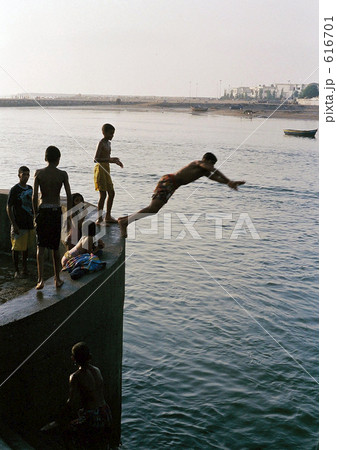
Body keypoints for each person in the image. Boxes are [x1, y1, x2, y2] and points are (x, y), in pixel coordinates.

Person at [118, 152, 245, 238]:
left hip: (172, 185)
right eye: (211, 163)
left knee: (153, 210)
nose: (212, 166)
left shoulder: (203, 172)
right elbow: (211, 169)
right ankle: (125, 223)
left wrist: (229, 183)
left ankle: (124, 220)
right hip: (169, 181)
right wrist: (229, 180)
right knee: (153, 209)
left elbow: (216, 178)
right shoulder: (198, 163)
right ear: (206, 160)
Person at [41, 342, 113, 449]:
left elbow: (71, 402)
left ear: (73, 358)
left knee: (65, 431)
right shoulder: (96, 370)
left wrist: (59, 420)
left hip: (92, 417)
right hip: (106, 413)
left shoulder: (75, 376)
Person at [33, 146, 72, 290]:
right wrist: (68, 215)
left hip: (43, 210)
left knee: (40, 246)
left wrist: (35, 213)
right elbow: (69, 196)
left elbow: (34, 196)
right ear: (58, 159)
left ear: (45, 158)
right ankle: (57, 279)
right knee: (55, 248)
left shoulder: (38, 173)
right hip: (55, 211)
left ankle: (40, 280)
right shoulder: (62, 174)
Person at [6, 166, 35, 278]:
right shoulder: (14, 190)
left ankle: (25, 269)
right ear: (19, 175)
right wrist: (14, 224)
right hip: (18, 223)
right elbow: (8, 206)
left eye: (28, 174)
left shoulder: (30, 188)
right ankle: (17, 270)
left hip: (29, 223)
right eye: (24, 174)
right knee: (16, 248)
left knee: (26, 248)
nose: (26, 177)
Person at [94, 123, 123, 224]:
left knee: (112, 193)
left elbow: (107, 158)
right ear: (104, 133)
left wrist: (114, 160)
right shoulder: (101, 143)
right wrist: (111, 160)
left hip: (106, 168)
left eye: (113, 134)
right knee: (103, 194)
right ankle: (99, 218)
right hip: (100, 169)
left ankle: (108, 216)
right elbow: (96, 159)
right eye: (110, 133)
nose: (112, 136)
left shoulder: (108, 143)